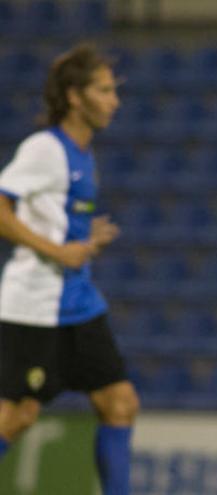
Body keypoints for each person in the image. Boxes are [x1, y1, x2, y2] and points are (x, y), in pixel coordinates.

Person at [0, 44, 137, 495]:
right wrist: (57, 251)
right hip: (36, 305)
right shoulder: (45, 148)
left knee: (119, 403)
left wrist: (83, 238)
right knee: (17, 416)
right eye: (103, 90)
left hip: (78, 302)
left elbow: (57, 217)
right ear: (75, 97)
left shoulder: (83, 154)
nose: (114, 100)